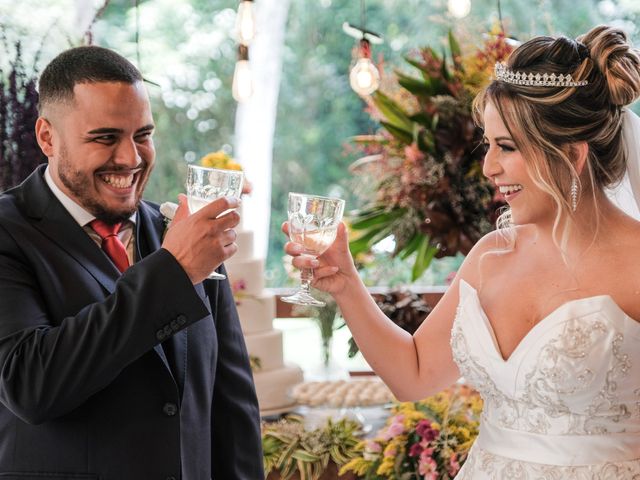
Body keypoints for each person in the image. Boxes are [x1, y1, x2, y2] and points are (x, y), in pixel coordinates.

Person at [285, 25, 640, 476]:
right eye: (488, 145)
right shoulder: (491, 256)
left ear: (571, 156)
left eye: (506, 147)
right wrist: (346, 284)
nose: (489, 167)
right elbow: (412, 375)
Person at [0, 46, 263, 479]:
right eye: (105, 137)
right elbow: (30, 386)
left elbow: (230, 403)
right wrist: (173, 271)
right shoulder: (8, 232)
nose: (131, 158)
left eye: (142, 134)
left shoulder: (178, 231)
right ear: (47, 137)